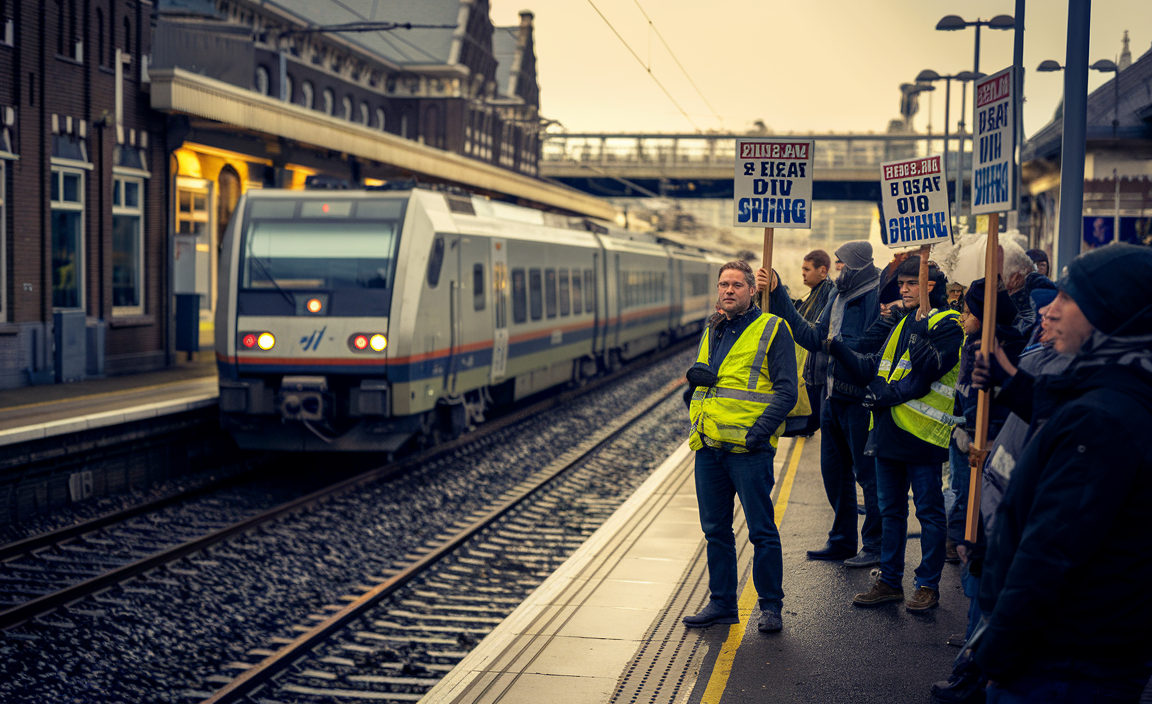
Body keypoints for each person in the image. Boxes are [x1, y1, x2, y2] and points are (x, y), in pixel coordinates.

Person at [967, 244, 1152, 703]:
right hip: (1084, 652)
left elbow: (1050, 552)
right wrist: (1012, 384)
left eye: (1069, 299)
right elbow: (1066, 406)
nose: (1050, 309)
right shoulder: (1119, 388)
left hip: (1061, 662)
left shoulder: (1101, 420)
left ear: (1111, 314)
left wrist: (995, 656)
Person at [824, 255, 964, 611]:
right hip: (888, 431)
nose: (902, 289)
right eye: (901, 284)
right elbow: (877, 367)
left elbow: (930, 366)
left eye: (909, 283)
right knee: (891, 511)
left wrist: (916, 328)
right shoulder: (902, 322)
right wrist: (838, 347)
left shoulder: (948, 323)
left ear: (930, 286)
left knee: (929, 513)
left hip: (922, 434)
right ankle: (889, 581)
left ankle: (927, 585)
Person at [683, 260, 798, 634]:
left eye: (736, 284)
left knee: (761, 530)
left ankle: (771, 606)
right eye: (723, 284)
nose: (728, 290)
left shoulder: (772, 328)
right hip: (710, 446)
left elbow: (787, 391)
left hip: (749, 451)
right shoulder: (713, 327)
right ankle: (722, 603)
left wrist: (758, 433)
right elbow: (708, 381)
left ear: (752, 290)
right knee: (715, 530)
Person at [757, 241, 883, 567]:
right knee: (834, 472)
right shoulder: (837, 296)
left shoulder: (874, 296)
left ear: (855, 265)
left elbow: (864, 349)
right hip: (831, 398)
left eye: (841, 264)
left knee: (868, 476)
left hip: (860, 401)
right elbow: (812, 337)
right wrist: (778, 292)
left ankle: (875, 545)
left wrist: (837, 347)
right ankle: (842, 540)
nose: (836, 270)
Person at [788, 250, 835, 437]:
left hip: (818, 374)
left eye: (807, 269)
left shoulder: (827, 294)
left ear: (822, 271)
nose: (803, 273)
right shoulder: (816, 292)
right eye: (802, 269)